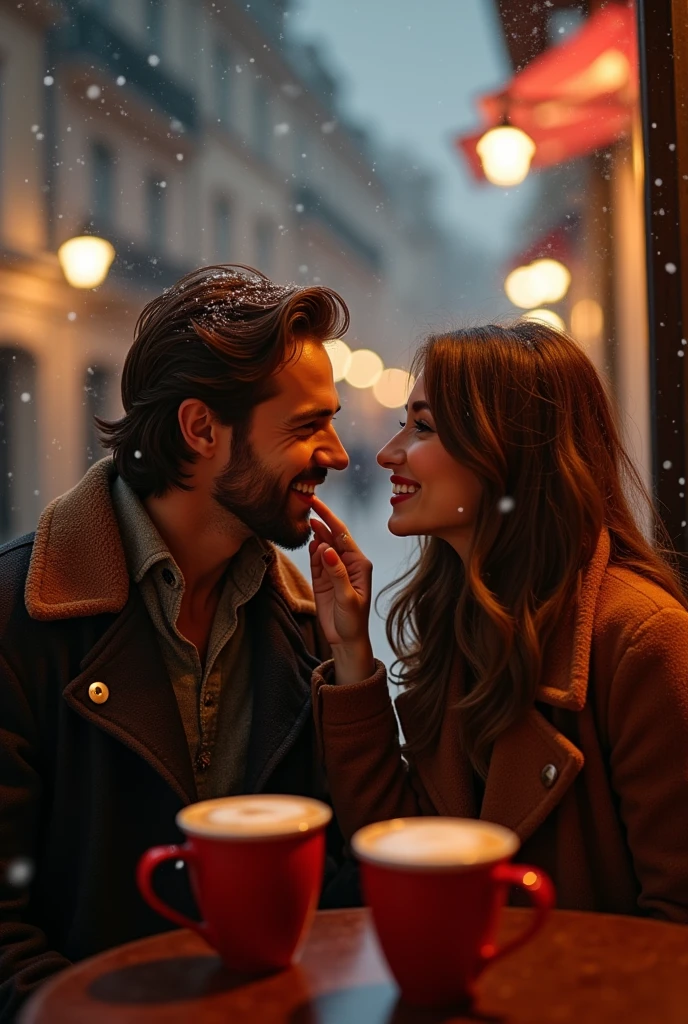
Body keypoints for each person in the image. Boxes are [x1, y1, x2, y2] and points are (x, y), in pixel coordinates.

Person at [0, 264, 356, 1018]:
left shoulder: (307, 622)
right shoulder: (18, 617)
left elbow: (345, 874)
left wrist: (354, 673)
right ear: (200, 430)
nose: (339, 453)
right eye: (305, 426)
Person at [309, 321, 688, 921]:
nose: (386, 452)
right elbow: (401, 845)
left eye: (424, 426)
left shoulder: (643, 639)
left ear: (509, 452)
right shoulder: (466, 620)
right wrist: (352, 651)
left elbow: (674, 933)